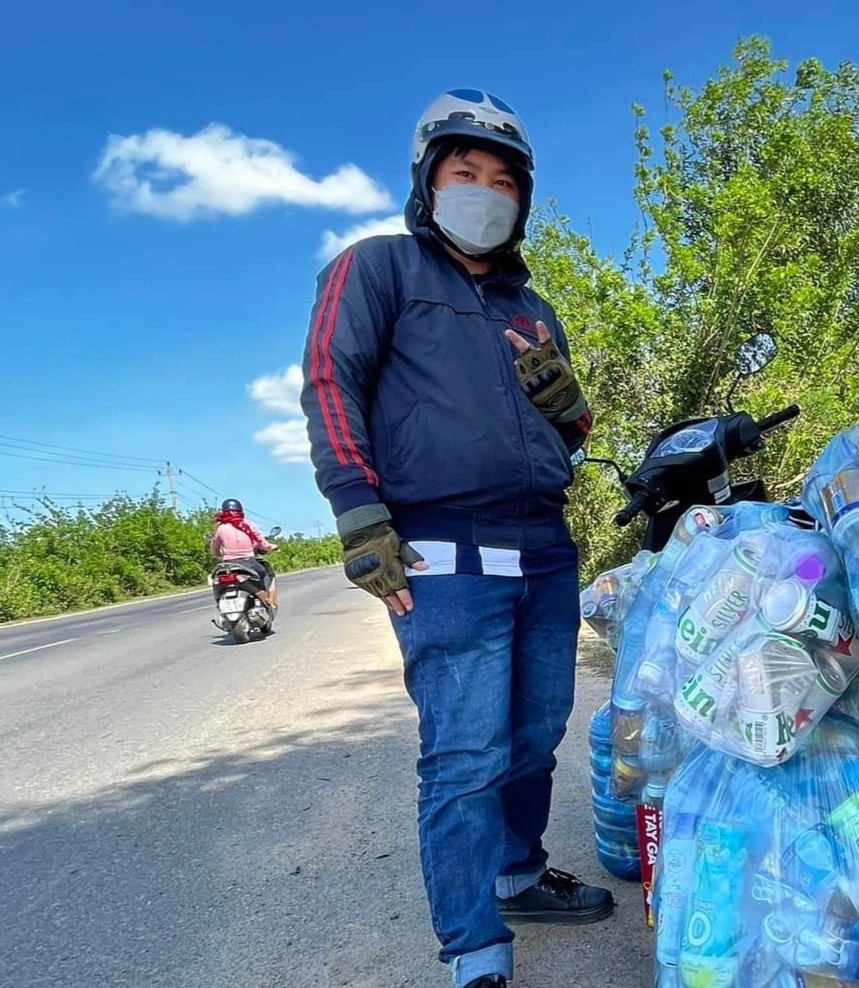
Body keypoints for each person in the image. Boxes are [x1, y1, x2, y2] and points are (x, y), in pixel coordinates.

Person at [298, 88, 608, 988]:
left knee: (536, 732)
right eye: (464, 172)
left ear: (523, 201)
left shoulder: (533, 308)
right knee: (466, 750)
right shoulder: (379, 270)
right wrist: (359, 512)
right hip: (444, 548)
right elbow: (330, 380)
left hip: (544, 545)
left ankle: (516, 874)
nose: (484, 191)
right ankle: (475, 949)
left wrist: (568, 403)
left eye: (503, 180)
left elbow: (577, 429)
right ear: (428, 182)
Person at [209, 498, 277, 608]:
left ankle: (219, 603)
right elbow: (263, 544)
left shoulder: (221, 528)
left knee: (215, 580)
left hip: (228, 566)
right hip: (248, 563)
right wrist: (271, 547)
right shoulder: (249, 525)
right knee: (264, 574)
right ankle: (268, 600)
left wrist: (219, 553)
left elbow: (215, 550)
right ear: (242, 512)